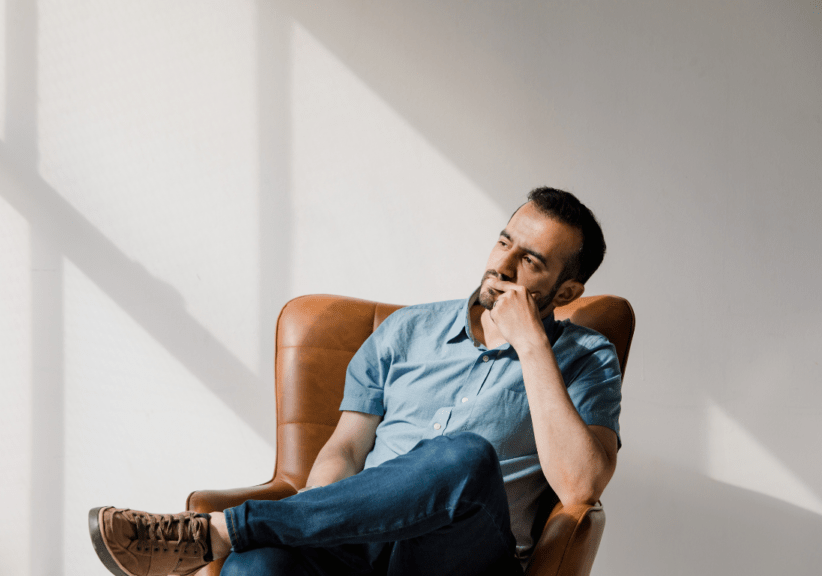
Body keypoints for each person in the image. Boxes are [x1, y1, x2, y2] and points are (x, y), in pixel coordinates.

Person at [88, 187, 622, 576]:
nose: (501, 265)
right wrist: (320, 525)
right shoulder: (407, 331)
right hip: (360, 544)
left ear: (566, 289)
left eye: (529, 261)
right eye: (504, 242)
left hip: (459, 559)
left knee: (462, 455)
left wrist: (530, 345)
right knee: (257, 565)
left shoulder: (584, 357)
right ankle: (243, 537)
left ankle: (217, 531)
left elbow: (582, 485)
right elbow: (344, 449)